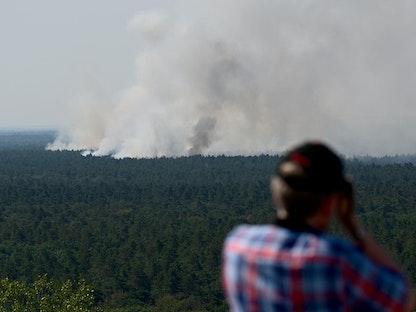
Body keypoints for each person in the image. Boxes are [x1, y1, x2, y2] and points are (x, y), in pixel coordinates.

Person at [222, 141, 415, 311]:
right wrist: (354, 227)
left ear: (276, 191)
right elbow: (404, 301)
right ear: (331, 202)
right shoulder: (338, 259)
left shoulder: (237, 245)